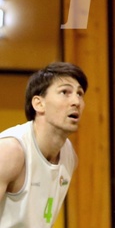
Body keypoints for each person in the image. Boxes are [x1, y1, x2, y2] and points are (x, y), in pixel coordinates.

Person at [0, 62, 88, 227]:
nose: (76, 101)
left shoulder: (69, 155)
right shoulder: (10, 151)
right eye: (65, 92)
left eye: (80, 94)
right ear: (39, 104)